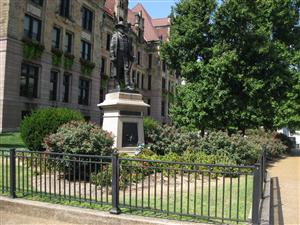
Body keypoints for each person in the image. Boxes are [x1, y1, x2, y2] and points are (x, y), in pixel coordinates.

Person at [110, 21, 135, 90]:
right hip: (118, 55)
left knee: (126, 70)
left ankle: (127, 85)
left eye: (123, 27)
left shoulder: (126, 37)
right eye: (121, 27)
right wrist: (112, 55)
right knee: (118, 70)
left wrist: (131, 57)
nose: (122, 29)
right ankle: (117, 84)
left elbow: (129, 49)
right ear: (118, 28)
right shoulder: (115, 36)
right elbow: (112, 46)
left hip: (125, 56)